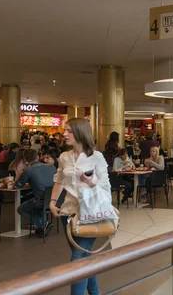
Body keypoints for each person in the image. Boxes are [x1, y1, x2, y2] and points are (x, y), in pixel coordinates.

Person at [50, 118, 111, 295]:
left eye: (69, 131)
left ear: (80, 133)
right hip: (68, 213)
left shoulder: (96, 157)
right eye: (65, 130)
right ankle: (94, 292)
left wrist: (91, 182)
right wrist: (53, 202)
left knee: (78, 259)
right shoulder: (64, 157)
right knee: (84, 256)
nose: (65, 134)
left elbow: (106, 188)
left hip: (90, 213)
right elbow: (59, 180)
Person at [16, 149, 56, 237]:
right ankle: (42, 226)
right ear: (38, 157)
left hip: (40, 201)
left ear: (25, 160)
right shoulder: (52, 167)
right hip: (55, 199)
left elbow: (17, 185)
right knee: (34, 203)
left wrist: (20, 170)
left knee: (21, 209)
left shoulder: (28, 171)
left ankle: (43, 224)